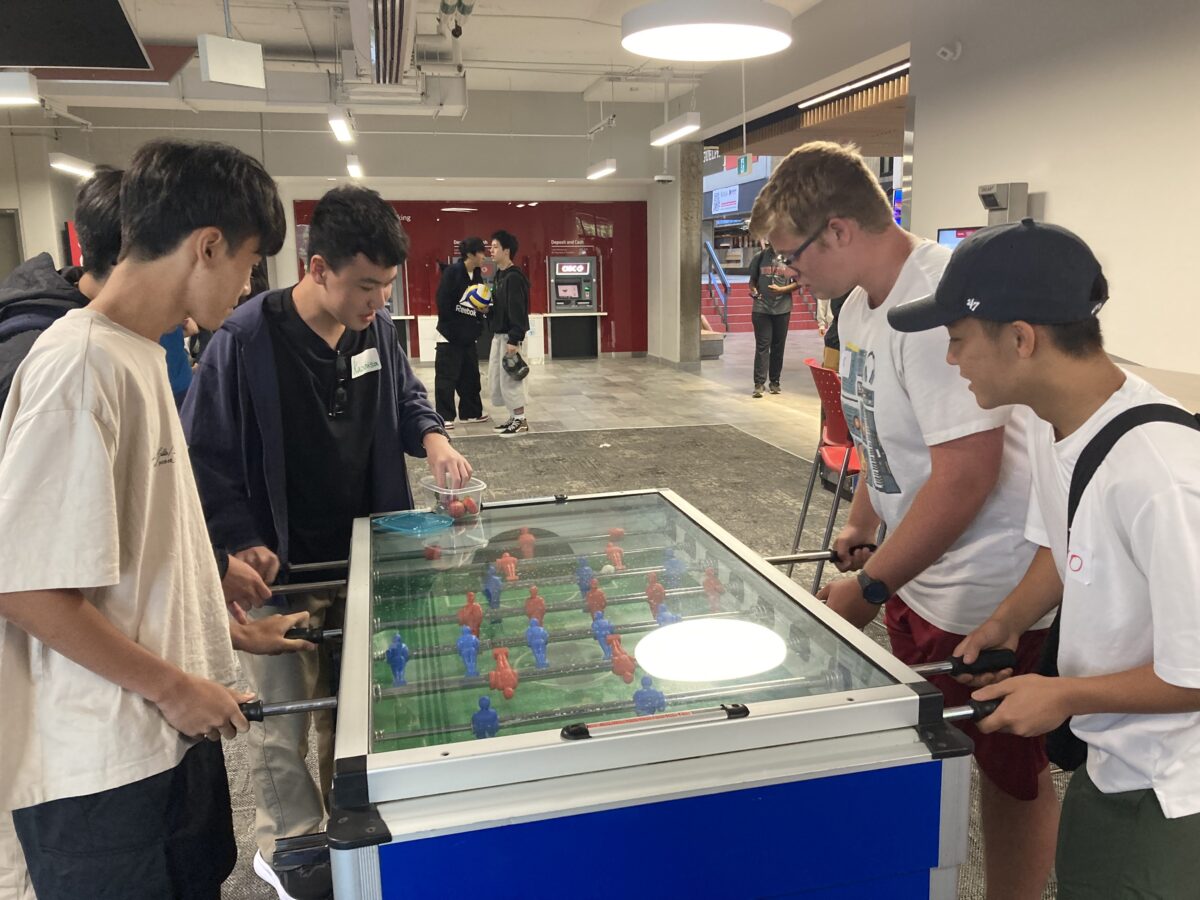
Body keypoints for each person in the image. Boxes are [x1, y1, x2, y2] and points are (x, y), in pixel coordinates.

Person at [749, 141, 1058, 900]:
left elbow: (968, 476)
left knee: (1010, 770)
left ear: (839, 230)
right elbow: (876, 430)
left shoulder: (937, 303)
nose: (789, 274)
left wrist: (871, 588)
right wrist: (864, 519)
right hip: (919, 570)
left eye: (792, 255)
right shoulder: (859, 304)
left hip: (985, 587)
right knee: (941, 749)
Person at [0, 138, 287, 900]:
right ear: (207, 246)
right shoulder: (78, 367)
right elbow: (26, 589)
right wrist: (173, 688)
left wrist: (219, 617)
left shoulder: (140, 353)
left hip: (164, 740)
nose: (248, 285)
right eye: (249, 263)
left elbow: (128, 554)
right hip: (103, 774)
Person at [889, 218, 1200, 897]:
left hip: (1172, 793)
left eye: (958, 338)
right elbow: (1065, 548)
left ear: (1021, 339)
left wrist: (1062, 695)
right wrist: (1006, 623)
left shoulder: (1161, 475)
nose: (952, 360)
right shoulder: (1053, 422)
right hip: (1108, 758)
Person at [182, 185, 471, 900]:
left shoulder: (376, 330)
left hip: (362, 558)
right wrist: (240, 541)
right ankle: (290, 848)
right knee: (282, 720)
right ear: (317, 269)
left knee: (355, 710)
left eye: (386, 286)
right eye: (365, 285)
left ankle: (345, 828)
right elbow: (205, 456)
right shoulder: (245, 340)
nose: (379, 300)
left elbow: (406, 397)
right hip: (278, 574)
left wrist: (433, 438)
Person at [434, 236, 490, 428]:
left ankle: (471, 412)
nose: (484, 256)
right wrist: (455, 328)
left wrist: (480, 319)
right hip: (449, 337)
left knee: (471, 376)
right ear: (471, 254)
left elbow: (480, 302)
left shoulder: (476, 275)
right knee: (446, 378)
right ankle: (445, 416)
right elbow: (443, 302)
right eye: (481, 252)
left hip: (468, 337)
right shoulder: (452, 273)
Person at [487, 230, 530, 436]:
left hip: (510, 337)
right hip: (500, 335)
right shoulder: (500, 276)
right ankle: (513, 417)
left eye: (495, 247)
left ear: (507, 251)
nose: (491, 251)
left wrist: (514, 338)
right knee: (501, 379)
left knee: (513, 379)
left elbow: (518, 310)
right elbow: (500, 307)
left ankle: (520, 420)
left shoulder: (514, 277)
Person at [746, 240, 798, 397]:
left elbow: (799, 283)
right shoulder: (760, 257)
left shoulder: (791, 258)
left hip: (783, 309)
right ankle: (759, 383)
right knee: (762, 345)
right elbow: (752, 281)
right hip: (761, 308)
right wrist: (754, 291)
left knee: (778, 347)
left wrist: (782, 290)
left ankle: (775, 382)